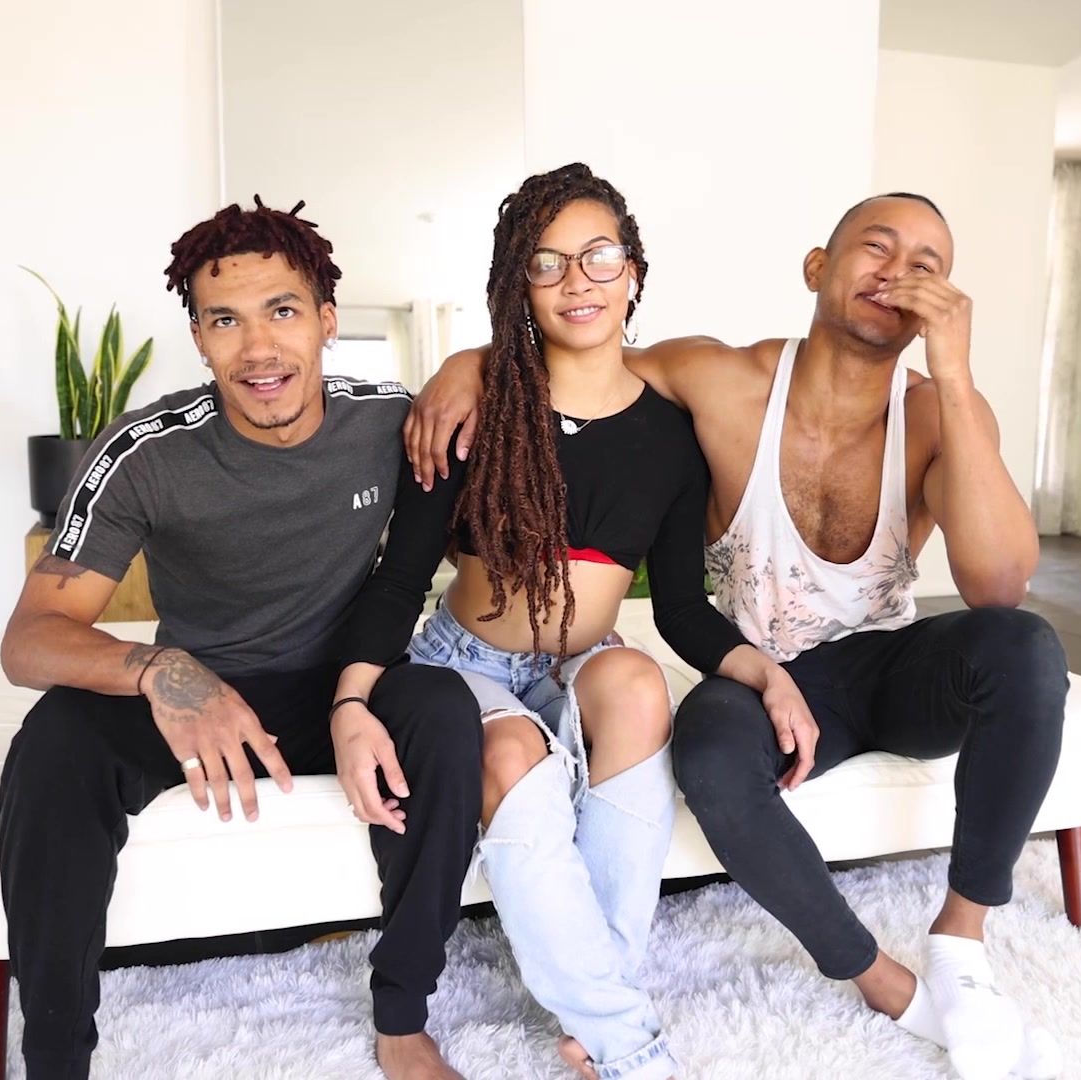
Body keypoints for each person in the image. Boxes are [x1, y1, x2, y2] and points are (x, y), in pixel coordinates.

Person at [408, 192, 1068, 1080]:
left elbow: (998, 586)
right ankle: (877, 978)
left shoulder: (942, 410)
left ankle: (961, 942)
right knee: (709, 755)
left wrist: (955, 377)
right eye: (877, 248)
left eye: (927, 265)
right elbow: (582, 346)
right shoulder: (719, 379)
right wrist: (471, 362)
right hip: (765, 674)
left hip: (889, 667)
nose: (899, 274)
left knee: (1025, 645)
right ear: (817, 268)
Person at [335, 163, 812, 1080]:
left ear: (633, 270)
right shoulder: (472, 411)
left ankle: (598, 1004)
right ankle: (627, 1043)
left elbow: (680, 610)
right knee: (512, 750)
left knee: (636, 684)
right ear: (519, 284)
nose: (576, 281)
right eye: (546, 263)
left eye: (598, 256)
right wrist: (353, 700)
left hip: (582, 662)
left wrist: (766, 672)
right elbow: (398, 581)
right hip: (465, 663)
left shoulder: (670, 437)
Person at [0, 198, 482, 1080]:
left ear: (327, 321)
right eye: (226, 321)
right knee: (55, 740)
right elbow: (31, 640)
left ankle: (403, 1019)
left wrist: (472, 364)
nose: (258, 349)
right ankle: (55, 1060)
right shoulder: (144, 453)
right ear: (199, 338)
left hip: (344, 685)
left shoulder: (389, 422)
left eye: (282, 311)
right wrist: (165, 671)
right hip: (202, 692)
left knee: (442, 708)